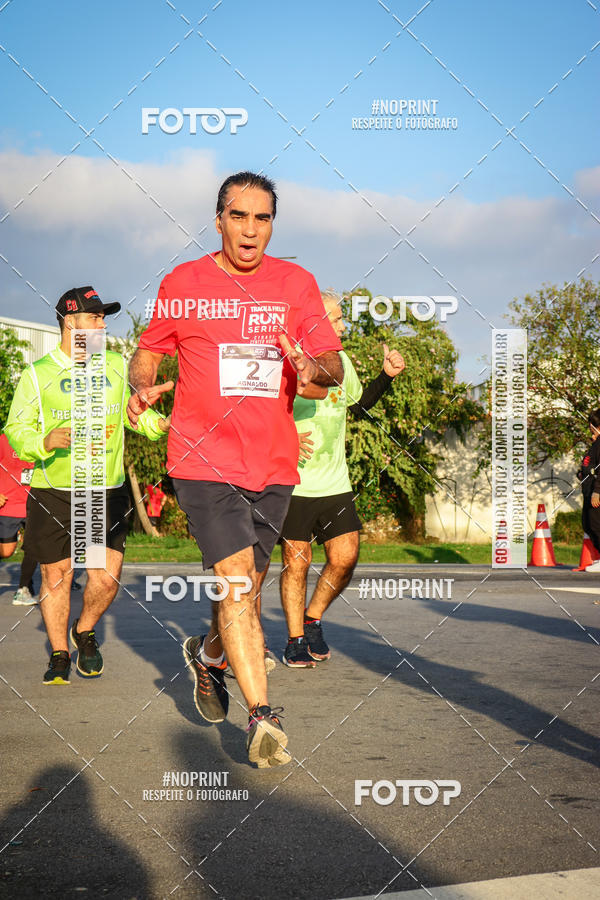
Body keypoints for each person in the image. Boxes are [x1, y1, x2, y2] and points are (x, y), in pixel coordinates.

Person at [127, 171, 343, 767]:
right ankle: (263, 717)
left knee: (239, 591)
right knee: (239, 579)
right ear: (218, 219)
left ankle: (210, 655)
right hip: (201, 459)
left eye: (263, 218)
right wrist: (143, 389)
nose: (251, 229)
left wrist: (310, 363)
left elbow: (332, 370)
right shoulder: (185, 282)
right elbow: (147, 353)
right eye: (239, 216)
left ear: (273, 223)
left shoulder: (296, 284)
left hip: (273, 464)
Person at [4, 286, 170, 685]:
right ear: (69, 322)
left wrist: (159, 425)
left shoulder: (115, 365)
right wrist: (43, 442)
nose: (101, 323)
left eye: (103, 317)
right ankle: (60, 653)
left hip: (105, 491)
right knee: (55, 577)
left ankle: (85, 628)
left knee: (105, 579)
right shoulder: (37, 374)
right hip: (54, 491)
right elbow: (15, 429)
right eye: (94, 317)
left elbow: (134, 414)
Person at [279, 290, 405, 666]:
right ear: (313, 322)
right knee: (296, 563)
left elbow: (359, 404)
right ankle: (295, 639)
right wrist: (284, 434)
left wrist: (386, 376)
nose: (343, 326)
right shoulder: (286, 361)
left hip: (335, 483)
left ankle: (312, 618)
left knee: (345, 557)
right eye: (335, 320)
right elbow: (256, 412)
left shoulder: (340, 362)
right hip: (294, 484)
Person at [0, 432, 38, 605]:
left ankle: (24, 590)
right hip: (9, 504)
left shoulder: (41, 439)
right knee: (6, 551)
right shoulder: (4, 440)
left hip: (35, 504)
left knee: (34, 546)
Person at [577, 409, 600, 573]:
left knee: (595, 525)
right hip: (588, 490)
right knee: (588, 524)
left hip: (596, 493)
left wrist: (597, 491)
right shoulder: (595, 443)